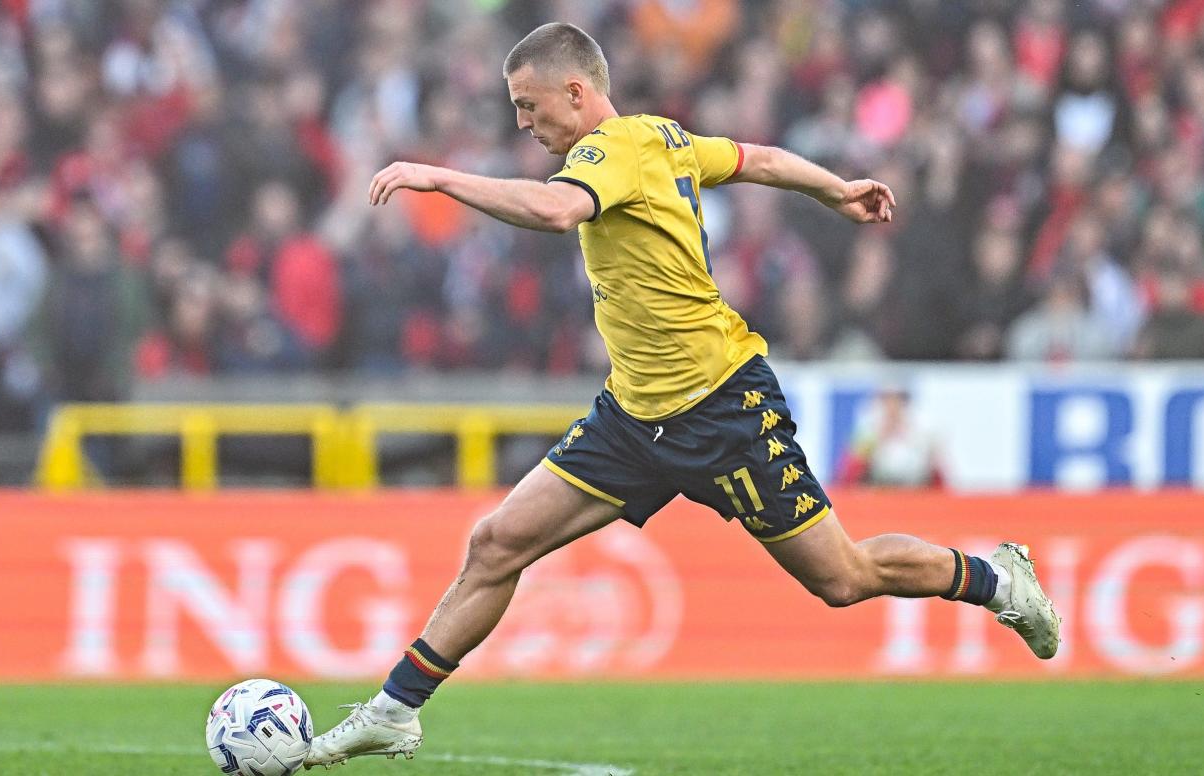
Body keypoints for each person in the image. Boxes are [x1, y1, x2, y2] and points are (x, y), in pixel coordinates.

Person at [303, 23, 1061, 768]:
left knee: (842, 578)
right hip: (634, 416)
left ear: (576, 91)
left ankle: (998, 580)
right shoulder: (660, 138)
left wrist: (437, 177)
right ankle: (393, 712)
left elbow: (554, 210)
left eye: (529, 107)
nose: (522, 123)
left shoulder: (608, 151)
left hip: (720, 407)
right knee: (497, 543)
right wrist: (834, 189)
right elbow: (754, 158)